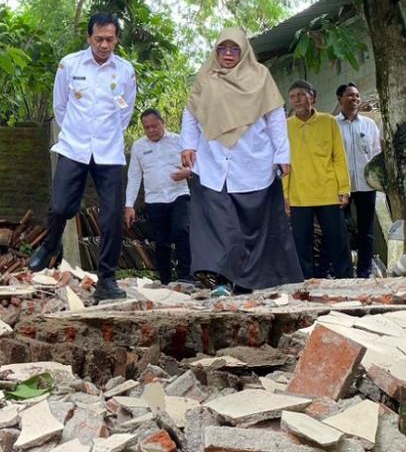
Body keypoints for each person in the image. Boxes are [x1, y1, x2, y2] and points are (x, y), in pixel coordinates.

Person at [180, 28, 303, 292]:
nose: (227, 54)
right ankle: (224, 279)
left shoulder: (261, 77)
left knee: (254, 228)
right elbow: (190, 114)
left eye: (234, 49)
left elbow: (275, 118)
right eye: (222, 49)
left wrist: (282, 155)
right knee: (222, 227)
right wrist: (188, 145)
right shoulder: (206, 80)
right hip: (214, 164)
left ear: (244, 50)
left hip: (253, 162)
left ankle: (248, 282)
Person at [28, 13, 137, 302]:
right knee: (62, 205)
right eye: (99, 39)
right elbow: (60, 106)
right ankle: (49, 246)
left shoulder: (125, 71)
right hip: (74, 147)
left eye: (110, 39)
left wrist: (106, 134)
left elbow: (126, 112)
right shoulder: (69, 64)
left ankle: (108, 279)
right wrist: (78, 134)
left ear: (116, 39)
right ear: (89, 37)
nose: (104, 45)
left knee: (112, 215)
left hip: (109, 151)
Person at [284, 80, 353, 278]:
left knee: (337, 240)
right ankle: (304, 283)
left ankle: (347, 281)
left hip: (328, 191)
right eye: (293, 96)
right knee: (301, 243)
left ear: (312, 98)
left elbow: (338, 156)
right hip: (299, 193)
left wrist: (344, 188)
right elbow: (284, 163)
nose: (297, 100)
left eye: (301, 95)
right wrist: (285, 194)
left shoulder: (328, 122)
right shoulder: (285, 127)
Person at [125, 108, 194, 285]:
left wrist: (188, 172)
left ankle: (185, 276)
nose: (151, 131)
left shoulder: (179, 141)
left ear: (162, 123)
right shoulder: (139, 146)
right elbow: (134, 176)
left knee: (181, 231)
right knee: (161, 241)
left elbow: (197, 164)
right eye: (146, 127)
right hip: (154, 199)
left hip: (178, 194)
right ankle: (164, 280)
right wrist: (129, 204)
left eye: (154, 126)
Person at [336, 82, 381, 278]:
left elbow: (376, 153)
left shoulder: (369, 125)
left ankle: (364, 271)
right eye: (350, 96)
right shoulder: (333, 125)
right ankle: (343, 271)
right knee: (340, 231)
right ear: (340, 100)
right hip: (341, 187)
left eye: (356, 96)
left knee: (366, 231)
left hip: (366, 185)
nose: (354, 99)